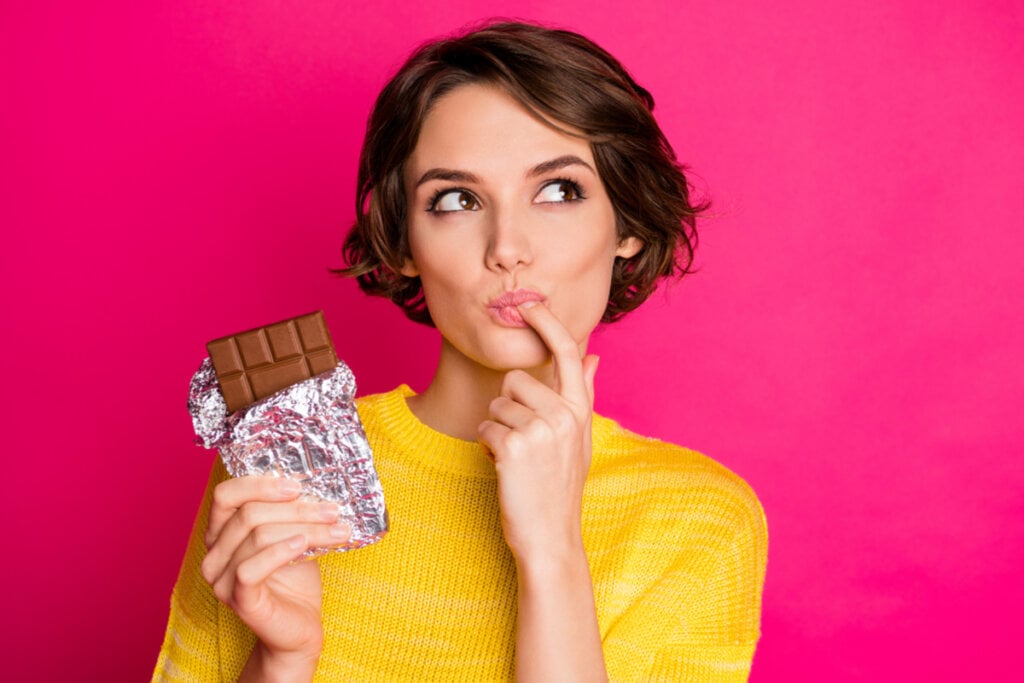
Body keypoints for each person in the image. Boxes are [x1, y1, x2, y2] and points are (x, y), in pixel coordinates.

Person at [153, 20, 767, 682]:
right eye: (457, 199)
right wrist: (283, 658)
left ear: (626, 225)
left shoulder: (702, 520)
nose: (507, 245)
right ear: (406, 243)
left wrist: (552, 550)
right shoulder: (281, 471)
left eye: (558, 190)